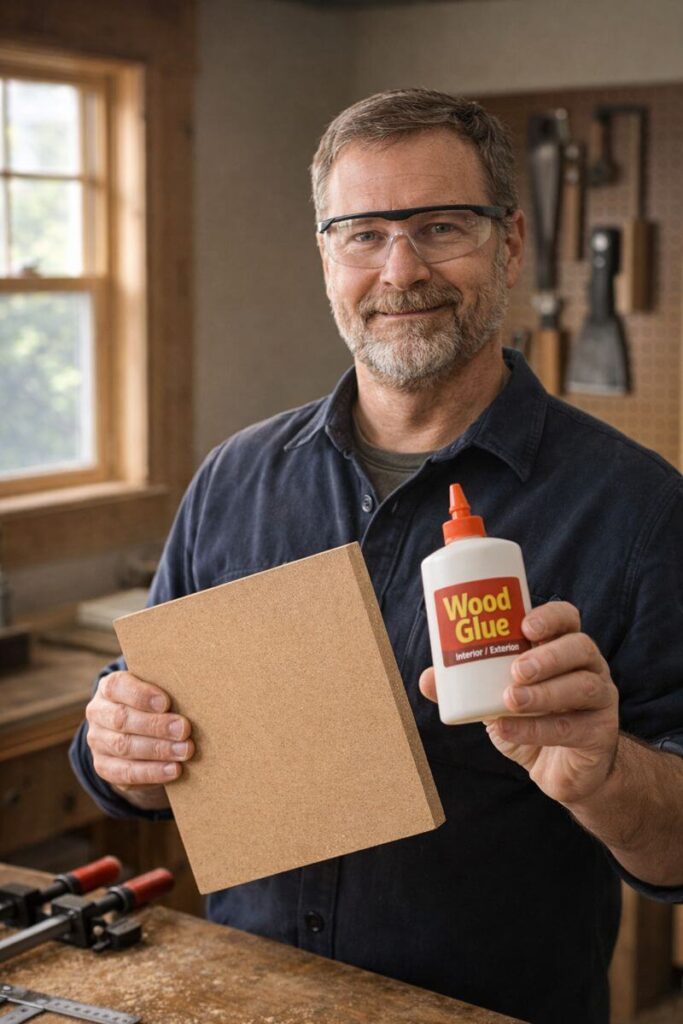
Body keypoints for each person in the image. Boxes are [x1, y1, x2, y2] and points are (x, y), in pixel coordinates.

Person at [70, 89, 683, 1024]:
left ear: (510, 243)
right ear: (326, 258)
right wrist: (119, 752)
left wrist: (608, 777)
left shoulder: (635, 508)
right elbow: (138, 746)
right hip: (247, 1002)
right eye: (362, 233)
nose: (400, 269)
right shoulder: (234, 479)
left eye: (441, 226)